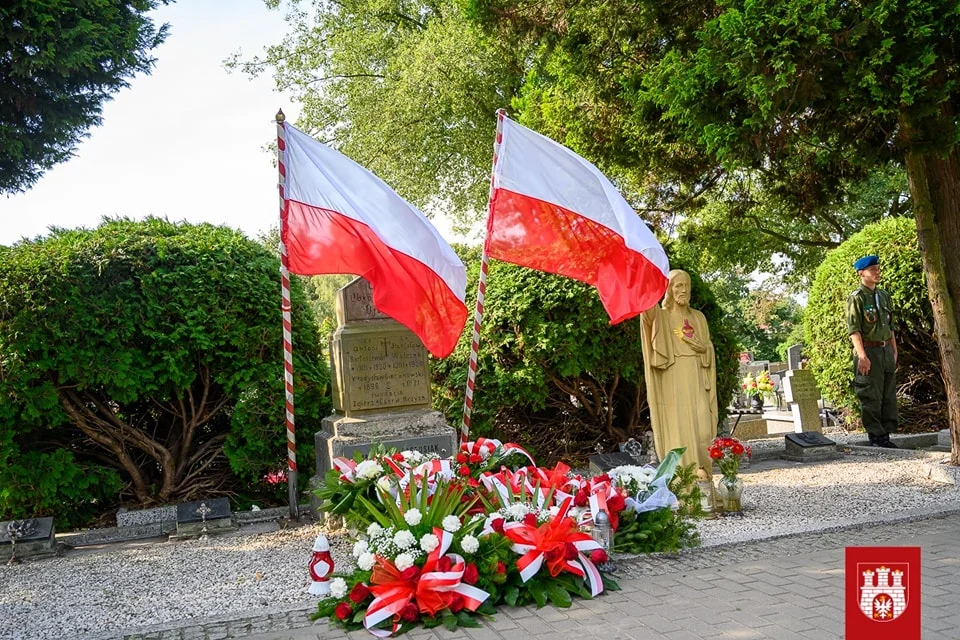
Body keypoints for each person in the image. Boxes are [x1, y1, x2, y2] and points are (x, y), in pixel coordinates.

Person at [640, 269, 718, 478]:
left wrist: (704, 349)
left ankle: (704, 479)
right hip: (672, 380)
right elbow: (647, 310)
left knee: (703, 427)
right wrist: (646, 275)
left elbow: (708, 346)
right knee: (679, 428)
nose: (683, 290)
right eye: (678, 286)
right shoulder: (662, 316)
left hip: (697, 377)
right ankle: (683, 482)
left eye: (686, 286)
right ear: (669, 289)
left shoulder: (699, 318)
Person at [846, 255, 898, 448]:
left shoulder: (883, 295)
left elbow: (890, 325)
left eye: (878, 268)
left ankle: (886, 435)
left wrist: (894, 350)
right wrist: (862, 356)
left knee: (887, 394)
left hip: (884, 351)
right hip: (868, 350)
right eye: (872, 270)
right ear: (861, 273)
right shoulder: (857, 298)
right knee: (870, 394)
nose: (877, 272)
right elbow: (854, 330)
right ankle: (876, 437)